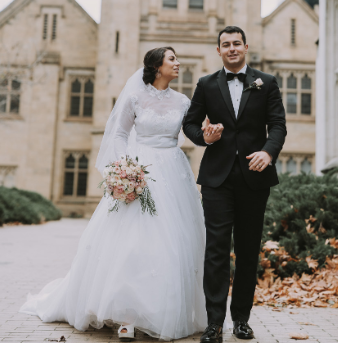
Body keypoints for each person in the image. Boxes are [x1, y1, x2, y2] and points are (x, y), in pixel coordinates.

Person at [20, 47, 207, 341]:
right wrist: (124, 168)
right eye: (172, 59)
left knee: (174, 243)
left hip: (173, 172)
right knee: (131, 242)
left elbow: (194, 132)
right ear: (158, 66)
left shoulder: (183, 102)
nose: (178, 63)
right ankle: (126, 315)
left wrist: (208, 135)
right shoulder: (135, 97)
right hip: (140, 170)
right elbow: (119, 134)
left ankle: (165, 311)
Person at [183, 26, 287, 341]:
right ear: (218, 51)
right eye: (225, 44)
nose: (231, 48)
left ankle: (241, 319)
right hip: (217, 178)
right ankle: (214, 324)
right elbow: (189, 123)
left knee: (247, 250)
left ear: (245, 47)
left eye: (236, 43)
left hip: (255, 179)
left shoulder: (266, 83)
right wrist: (204, 137)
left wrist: (268, 154)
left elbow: (278, 124)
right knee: (216, 250)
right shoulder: (206, 84)